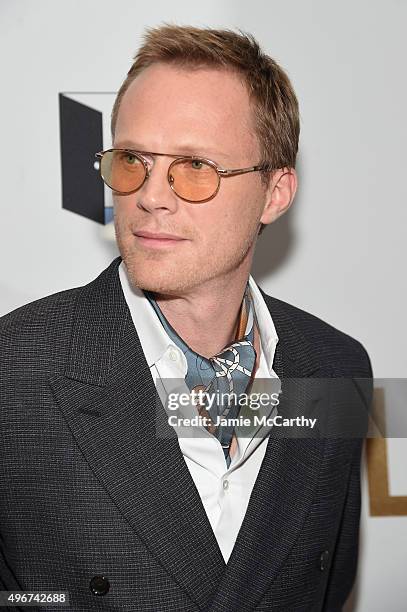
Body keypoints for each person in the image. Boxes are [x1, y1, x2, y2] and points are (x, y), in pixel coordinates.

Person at [0, 24, 373, 612]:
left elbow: (328, 584)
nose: (150, 195)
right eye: (131, 161)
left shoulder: (335, 366)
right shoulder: (17, 368)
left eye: (195, 166)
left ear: (275, 192)